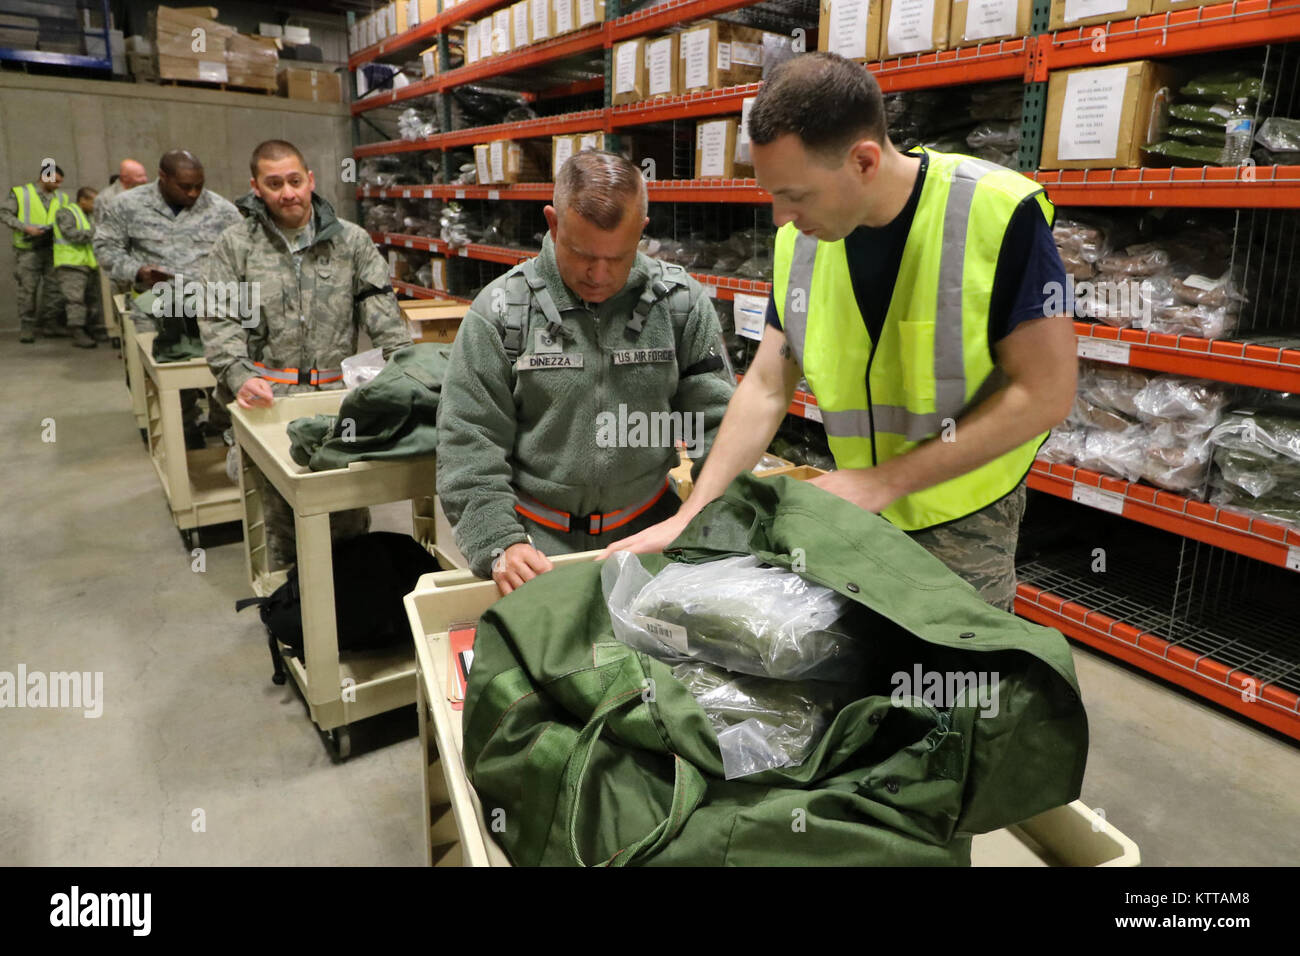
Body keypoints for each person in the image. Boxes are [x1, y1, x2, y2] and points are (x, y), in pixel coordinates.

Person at [607, 53, 1078, 612]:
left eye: (796, 195)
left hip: (963, 518)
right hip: (857, 507)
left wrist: (884, 481)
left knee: (959, 679)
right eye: (772, 194)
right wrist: (694, 512)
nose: (781, 217)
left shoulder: (996, 213)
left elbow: (1045, 392)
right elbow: (767, 385)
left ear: (863, 161)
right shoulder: (800, 241)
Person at [436, 150, 735, 595]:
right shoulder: (500, 313)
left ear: (642, 231)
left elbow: (720, 427)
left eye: (619, 257)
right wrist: (499, 541)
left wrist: (714, 526)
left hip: (649, 540)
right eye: (581, 254)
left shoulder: (680, 306)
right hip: (536, 553)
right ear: (553, 224)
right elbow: (468, 443)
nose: (599, 274)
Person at [199, 139, 413, 567]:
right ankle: (293, 613)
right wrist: (238, 376)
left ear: (310, 180)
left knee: (347, 511)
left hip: (338, 405)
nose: (287, 192)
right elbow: (219, 317)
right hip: (267, 405)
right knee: (281, 516)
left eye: (295, 180)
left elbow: (382, 311)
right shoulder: (235, 245)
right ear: (256, 187)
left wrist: (407, 368)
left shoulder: (351, 242)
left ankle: (350, 604)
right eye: (274, 183)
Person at [94, 149, 241, 444]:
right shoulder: (128, 206)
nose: (194, 192)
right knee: (163, 370)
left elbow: (243, 254)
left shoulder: (221, 210)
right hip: (153, 304)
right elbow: (105, 248)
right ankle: (182, 428)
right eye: (185, 186)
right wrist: (138, 271)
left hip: (209, 305)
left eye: (199, 185)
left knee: (229, 363)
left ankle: (220, 422)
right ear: (163, 177)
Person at [2, 164, 69, 343]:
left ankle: (51, 324)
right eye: (55, 181)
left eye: (60, 182)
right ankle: (27, 327)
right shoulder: (20, 193)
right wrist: (26, 228)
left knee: (54, 289)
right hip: (28, 250)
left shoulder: (62, 197)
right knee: (28, 290)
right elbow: (4, 214)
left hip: (53, 249)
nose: (58, 185)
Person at [53, 187, 103, 349]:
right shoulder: (65, 213)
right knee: (75, 300)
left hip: (87, 263)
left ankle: (89, 329)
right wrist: (97, 232)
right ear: (83, 200)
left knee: (91, 299)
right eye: (93, 202)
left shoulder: (89, 215)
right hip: (70, 264)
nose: (96, 206)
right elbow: (72, 235)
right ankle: (77, 332)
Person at [94, 159, 148, 226]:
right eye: (140, 176)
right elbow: (103, 228)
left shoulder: (146, 194)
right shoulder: (106, 198)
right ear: (125, 178)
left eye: (145, 175)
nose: (145, 179)